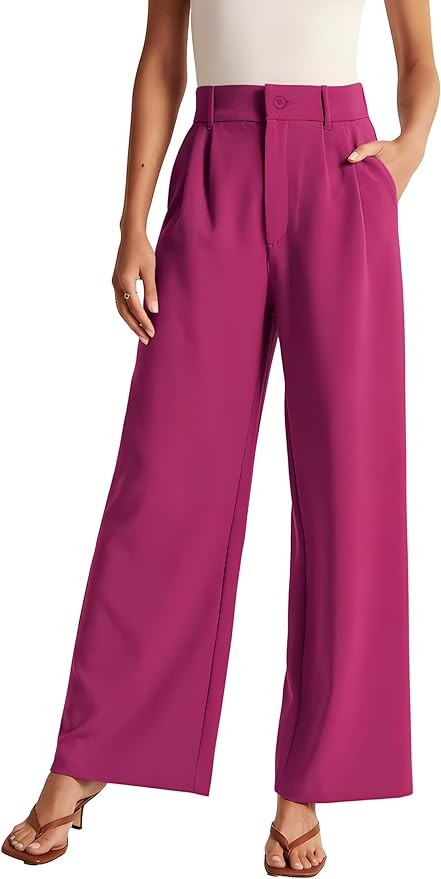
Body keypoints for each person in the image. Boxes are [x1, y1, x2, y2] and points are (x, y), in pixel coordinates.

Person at [2, 0, 439, 872]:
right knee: (165, 477)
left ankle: (308, 784)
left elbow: (418, 59)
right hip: (215, 167)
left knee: (349, 487)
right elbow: (162, 59)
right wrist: (132, 221)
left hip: (340, 171)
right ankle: (90, 751)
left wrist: (406, 151)